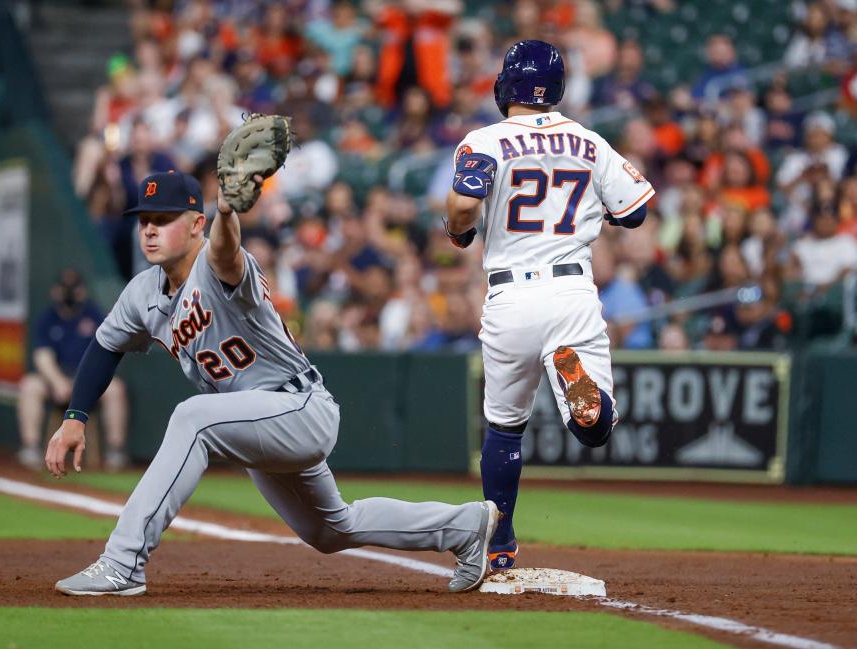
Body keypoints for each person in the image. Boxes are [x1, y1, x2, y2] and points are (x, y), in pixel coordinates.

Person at [46, 170, 497, 596]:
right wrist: (75, 417)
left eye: (163, 220)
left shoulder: (217, 263)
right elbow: (105, 347)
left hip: (299, 406)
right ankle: (465, 527)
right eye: (145, 220)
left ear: (197, 223)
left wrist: (227, 212)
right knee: (329, 529)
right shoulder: (142, 292)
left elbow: (225, 250)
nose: (149, 230)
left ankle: (123, 564)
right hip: (257, 421)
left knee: (192, 418)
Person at [445, 40, 654, 570]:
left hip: (509, 295)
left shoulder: (485, 141)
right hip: (570, 290)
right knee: (595, 429)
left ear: (506, 85)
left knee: (503, 426)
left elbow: (464, 207)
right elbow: (633, 215)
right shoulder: (588, 140)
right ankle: (581, 395)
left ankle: (499, 542)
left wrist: (456, 230)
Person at [16, 270, 129, 471]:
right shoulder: (48, 318)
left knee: (116, 389)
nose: (69, 293)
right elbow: (42, 356)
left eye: (74, 288)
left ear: (82, 291)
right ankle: (31, 447)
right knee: (30, 386)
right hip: (56, 380)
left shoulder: (93, 315)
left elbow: (106, 354)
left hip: (88, 380)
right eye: (64, 288)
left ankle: (115, 450)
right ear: (55, 291)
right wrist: (57, 381)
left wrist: (83, 385)